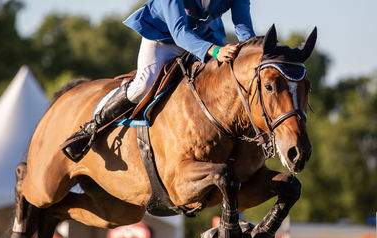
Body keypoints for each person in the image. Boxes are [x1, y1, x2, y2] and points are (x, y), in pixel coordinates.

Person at [62, 0, 256, 162]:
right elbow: (179, 32)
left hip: (208, 38)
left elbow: (245, 32)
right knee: (143, 86)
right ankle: (91, 128)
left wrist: (255, 56)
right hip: (164, 38)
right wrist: (214, 51)